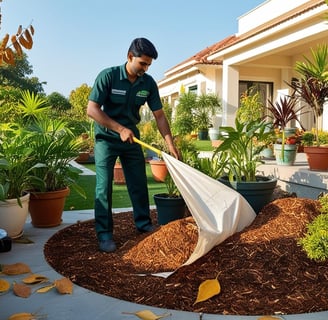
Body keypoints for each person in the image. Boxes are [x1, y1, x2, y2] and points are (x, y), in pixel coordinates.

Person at [87, 37, 180, 253]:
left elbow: (159, 115)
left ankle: (143, 223)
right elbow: (92, 109)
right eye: (142, 63)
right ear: (130, 57)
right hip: (107, 140)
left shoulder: (147, 83)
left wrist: (170, 144)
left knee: (138, 182)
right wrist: (119, 129)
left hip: (131, 140)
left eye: (148, 65)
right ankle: (104, 234)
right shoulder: (108, 76)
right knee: (104, 186)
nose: (145, 68)